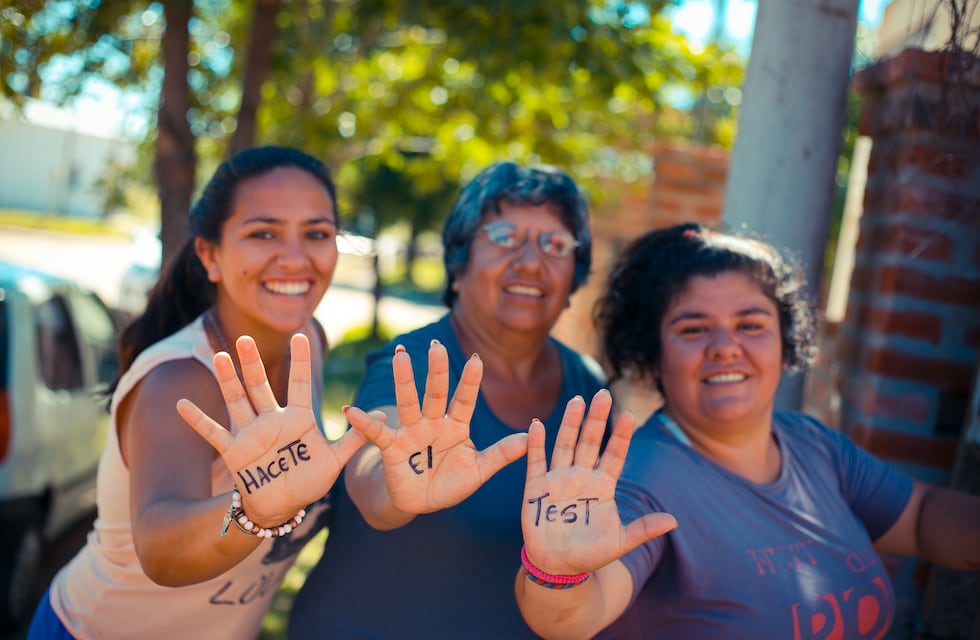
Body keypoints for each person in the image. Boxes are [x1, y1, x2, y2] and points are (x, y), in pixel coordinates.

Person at [515, 222, 980, 639]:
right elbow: (576, 616)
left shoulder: (813, 445)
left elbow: (920, 519)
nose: (725, 348)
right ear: (654, 357)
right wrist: (556, 574)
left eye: (751, 325)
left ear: (786, 345)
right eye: (693, 329)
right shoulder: (642, 479)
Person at [28, 146, 368, 639]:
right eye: (263, 233)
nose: (296, 258)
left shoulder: (309, 340)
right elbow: (161, 546)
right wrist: (254, 509)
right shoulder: (180, 379)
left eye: (316, 233)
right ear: (210, 254)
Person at [288, 160, 609, 638]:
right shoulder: (412, 363)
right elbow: (373, 476)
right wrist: (397, 485)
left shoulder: (586, 383)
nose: (531, 261)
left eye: (555, 244)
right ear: (458, 266)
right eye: (503, 237)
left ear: (574, 281)